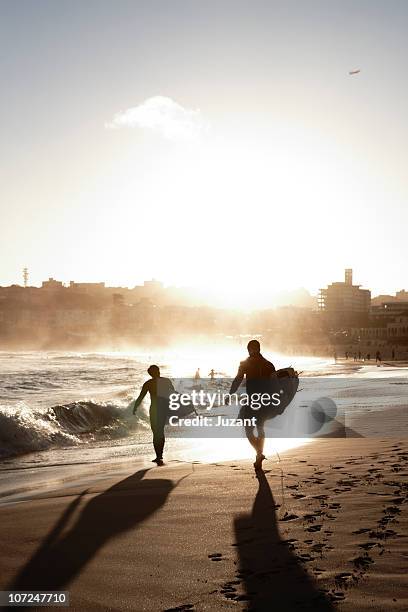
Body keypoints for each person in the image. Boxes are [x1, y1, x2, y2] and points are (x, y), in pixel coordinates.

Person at [228, 339, 276, 471]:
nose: (252, 351)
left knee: (249, 430)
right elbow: (276, 384)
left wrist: (230, 393)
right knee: (259, 429)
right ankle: (259, 454)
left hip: (252, 401)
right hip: (265, 401)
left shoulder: (245, 364)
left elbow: (238, 379)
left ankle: (259, 453)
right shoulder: (268, 364)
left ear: (249, 349)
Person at [132, 365, 175, 466]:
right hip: (164, 408)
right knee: (160, 431)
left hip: (155, 409)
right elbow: (173, 394)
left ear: (150, 373)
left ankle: (158, 455)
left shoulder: (148, 383)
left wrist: (135, 407)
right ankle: (160, 455)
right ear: (158, 371)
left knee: (156, 432)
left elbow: (141, 396)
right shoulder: (166, 381)